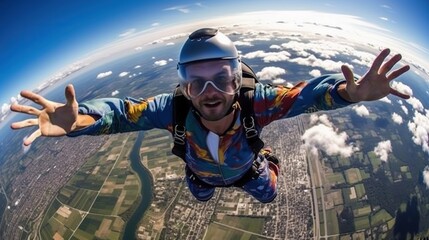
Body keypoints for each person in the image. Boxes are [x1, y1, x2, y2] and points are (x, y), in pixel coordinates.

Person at [10, 28, 410, 203]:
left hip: (247, 169)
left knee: (269, 193)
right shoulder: (174, 110)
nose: (210, 94)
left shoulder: (257, 103)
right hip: (199, 172)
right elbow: (124, 112)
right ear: (183, 87)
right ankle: (214, 176)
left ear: (238, 79)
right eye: (195, 83)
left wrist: (348, 93)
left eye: (221, 79)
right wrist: (82, 121)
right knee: (200, 194)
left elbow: (305, 96)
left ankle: (266, 157)